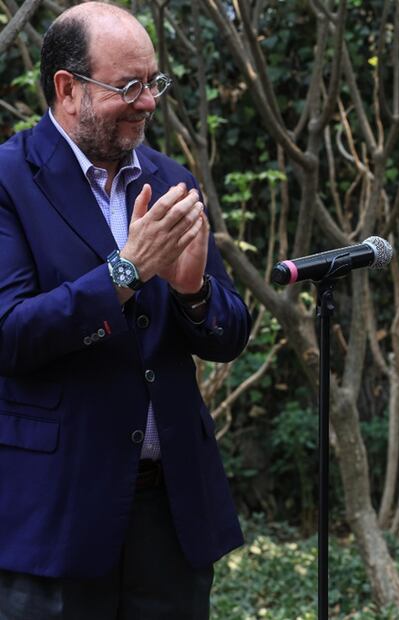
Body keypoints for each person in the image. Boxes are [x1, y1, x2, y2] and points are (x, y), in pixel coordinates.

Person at [0, 3, 250, 618]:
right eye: (128, 86)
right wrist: (125, 273)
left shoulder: (169, 178)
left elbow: (227, 334)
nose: (148, 102)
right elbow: (11, 335)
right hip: (56, 515)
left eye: (153, 82)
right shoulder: (9, 179)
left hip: (171, 516)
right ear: (68, 88)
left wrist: (193, 292)